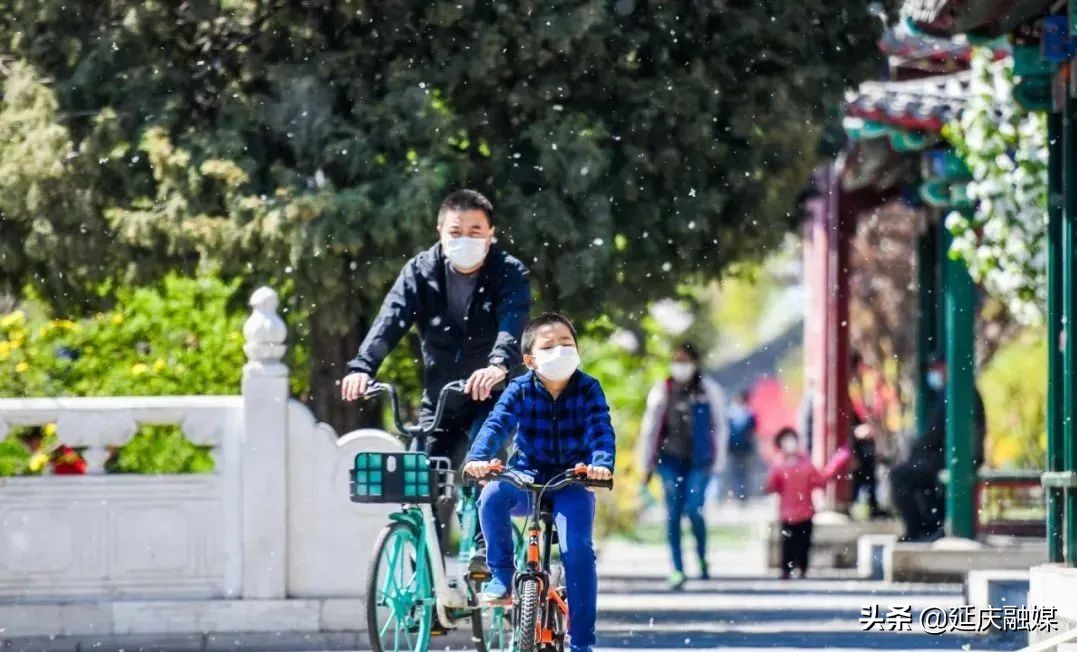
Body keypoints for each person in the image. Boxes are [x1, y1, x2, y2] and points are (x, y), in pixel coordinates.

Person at [341, 189, 531, 566]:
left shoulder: (510, 272)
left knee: (483, 454)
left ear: (491, 233)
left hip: (493, 393)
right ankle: (424, 573)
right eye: (456, 231)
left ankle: (483, 550)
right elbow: (390, 320)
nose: (466, 240)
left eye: (476, 231)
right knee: (420, 476)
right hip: (441, 395)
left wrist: (497, 366)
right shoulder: (420, 271)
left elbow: (513, 325)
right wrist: (362, 367)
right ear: (440, 231)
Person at [463, 313, 615, 652]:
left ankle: (582, 642)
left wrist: (600, 465)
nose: (560, 350)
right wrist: (477, 458)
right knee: (491, 496)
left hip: (572, 479)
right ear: (530, 359)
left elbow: (600, 430)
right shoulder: (519, 389)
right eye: (549, 346)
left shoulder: (588, 387)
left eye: (566, 343)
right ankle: (502, 575)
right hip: (526, 475)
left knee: (578, 551)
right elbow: (496, 424)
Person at [636, 342, 728, 590]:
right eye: (676, 360)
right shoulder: (663, 390)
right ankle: (677, 568)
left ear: (695, 363)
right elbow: (650, 428)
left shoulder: (709, 390)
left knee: (694, 508)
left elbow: (720, 426)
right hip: (669, 460)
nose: (680, 366)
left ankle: (702, 558)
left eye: (685, 360)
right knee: (673, 514)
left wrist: (718, 463)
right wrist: (645, 464)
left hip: (699, 461)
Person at [888, 357, 986, 542]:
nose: (935, 373)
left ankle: (919, 529)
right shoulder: (958, 390)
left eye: (938, 367)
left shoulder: (955, 391)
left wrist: (918, 450)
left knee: (900, 477)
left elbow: (935, 431)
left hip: (958, 458)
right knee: (918, 475)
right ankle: (928, 525)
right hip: (954, 456)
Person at [764, 428, 852, 579]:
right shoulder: (778, 465)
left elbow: (822, 479)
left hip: (805, 512)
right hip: (787, 514)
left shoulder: (806, 463)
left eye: (792, 439)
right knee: (787, 544)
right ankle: (786, 570)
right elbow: (770, 486)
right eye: (786, 440)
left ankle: (802, 569)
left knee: (804, 544)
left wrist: (839, 460)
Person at [725, 389, 757, 504]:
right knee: (735, 473)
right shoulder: (730, 414)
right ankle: (738, 495)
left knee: (744, 473)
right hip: (734, 448)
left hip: (745, 448)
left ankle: (743, 495)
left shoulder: (749, 414)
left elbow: (753, 430)